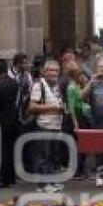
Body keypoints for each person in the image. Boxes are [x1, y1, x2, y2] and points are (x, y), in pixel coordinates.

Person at [29, 60, 68, 193]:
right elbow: (32, 107)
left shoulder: (56, 86)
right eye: (50, 70)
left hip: (56, 125)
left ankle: (50, 181)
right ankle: (42, 184)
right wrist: (53, 107)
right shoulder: (39, 85)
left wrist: (62, 108)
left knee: (52, 155)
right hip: (43, 126)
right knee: (42, 156)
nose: (53, 73)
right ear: (44, 72)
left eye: (56, 71)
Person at [0, 59, 20, 188]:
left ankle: (3, 179)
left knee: (1, 151)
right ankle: (11, 177)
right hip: (12, 120)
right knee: (10, 150)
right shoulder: (14, 83)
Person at [65, 66, 90, 180]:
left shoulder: (78, 86)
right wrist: (75, 122)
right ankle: (77, 171)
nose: (83, 77)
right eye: (81, 75)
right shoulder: (71, 88)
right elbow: (71, 106)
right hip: (76, 117)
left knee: (83, 144)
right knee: (79, 145)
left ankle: (80, 169)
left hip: (82, 116)